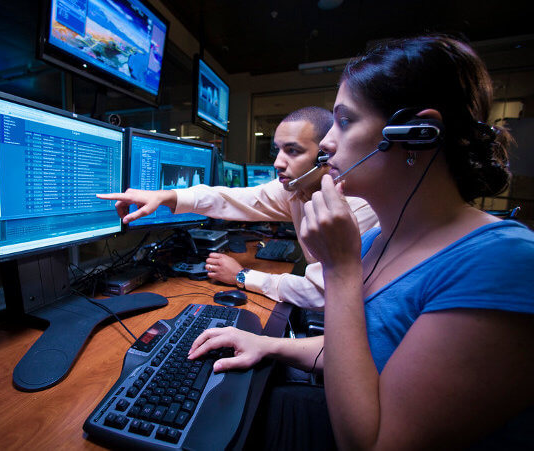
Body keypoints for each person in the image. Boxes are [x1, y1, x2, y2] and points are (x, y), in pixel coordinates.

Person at [187, 34, 534, 450]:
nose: (329, 142)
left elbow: (369, 444)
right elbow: (355, 352)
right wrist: (268, 345)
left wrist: (341, 268)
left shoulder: (504, 262)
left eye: (346, 121)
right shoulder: (376, 240)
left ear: (419, 133)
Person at [98, 107, 378, 309]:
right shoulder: (297, 191)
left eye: (292, 151)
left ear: (324, 157)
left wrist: (242, 277)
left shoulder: (354, 205)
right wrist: (166, 195)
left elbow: (320, 294)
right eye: (278, 150)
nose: (278, 163)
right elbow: (230, 199)